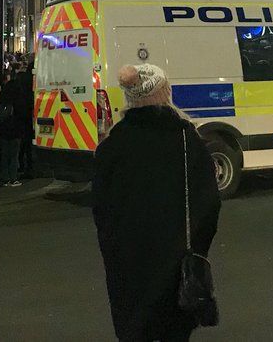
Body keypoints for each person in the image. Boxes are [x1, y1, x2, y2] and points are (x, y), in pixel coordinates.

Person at [92, 64, 220, 342]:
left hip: (127, 264)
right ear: (165, 92)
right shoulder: (187, 140)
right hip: (175, 264)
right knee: (174, 332)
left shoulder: (112, 145)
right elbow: (209, 204)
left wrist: (113, 247)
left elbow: (101, 209)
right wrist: (196, 247)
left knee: (134, 330)